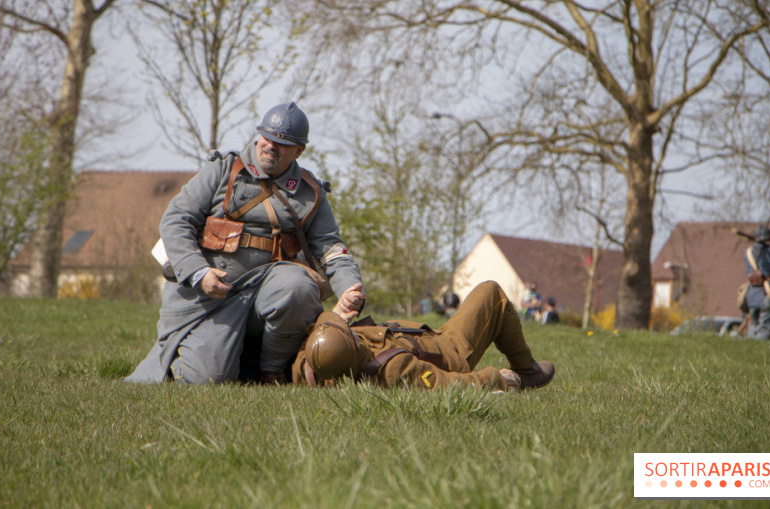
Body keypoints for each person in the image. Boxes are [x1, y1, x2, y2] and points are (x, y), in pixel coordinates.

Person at [126, 102, 364, 385]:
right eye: (267, 137)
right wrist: (199, 273)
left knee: (299, 286)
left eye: (283, 143)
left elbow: (332, 248)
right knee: (208, 380)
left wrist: (349, 287)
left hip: (268, 293)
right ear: (258, 135)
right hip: (209, 297)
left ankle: (271, 371)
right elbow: (176, 220)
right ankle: (190, 356)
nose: (271, 146)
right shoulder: (223, 171)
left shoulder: (309, 192)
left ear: (299, 151)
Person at [292, 281, 555, 392]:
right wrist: (497, 379)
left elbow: (321, 331)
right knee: (492, 293)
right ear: (351, 344)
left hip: (430, 334)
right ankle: (527, 369)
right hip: (449, 351)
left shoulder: (311, 362)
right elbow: (446, 385)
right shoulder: (390, 369)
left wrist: (337, 313)